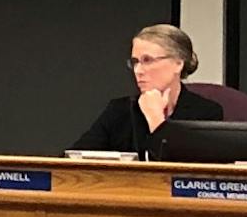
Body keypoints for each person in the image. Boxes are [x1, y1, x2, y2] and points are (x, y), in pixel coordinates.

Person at [69, 23, 221, 156]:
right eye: (135, 62)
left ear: (178, 64)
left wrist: (156, 120)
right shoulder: (119, 110)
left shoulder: (206, 113)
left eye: (147, 60)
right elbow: (72, 160)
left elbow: (184, 174)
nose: (138, 70)